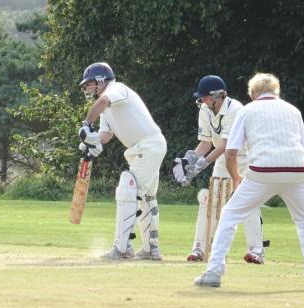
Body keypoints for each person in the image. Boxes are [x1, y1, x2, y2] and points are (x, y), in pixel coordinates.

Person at [194, 73, 304, 290]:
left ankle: (214, 272)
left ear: (252, 94)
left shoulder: (247, 110)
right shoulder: (294, 110)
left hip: (262, 171)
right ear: (276, 92)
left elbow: (230, 152)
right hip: (299, 170)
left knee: (230, 215)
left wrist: (236, 177)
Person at [78, 62, 167, 260]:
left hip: (149, 145)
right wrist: (90, 143)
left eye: (90, 83)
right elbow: (106, 135)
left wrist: (86, 124)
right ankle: (150, 249)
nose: (87, 88)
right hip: (142, 149)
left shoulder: (117, 89)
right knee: (146, 198)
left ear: (102, 80)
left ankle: (122, 247)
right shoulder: (106, 106)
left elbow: (102, 103)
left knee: (128, 186)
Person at [172, 75, 265, 263]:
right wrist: (188, 161)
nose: (203, 100)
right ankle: (200, 247)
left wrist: (202, 164)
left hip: (245, 159)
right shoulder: (205, 111)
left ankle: (256, 250)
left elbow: (225, 144)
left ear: (217, 95)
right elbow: (205, 143)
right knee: (209, 202)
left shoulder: (235, 109)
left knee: (248, 201)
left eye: (205, 96)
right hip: (222, 161)